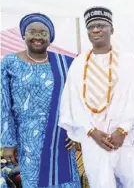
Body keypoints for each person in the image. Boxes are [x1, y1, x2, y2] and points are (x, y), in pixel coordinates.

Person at [58, 6, 134, 188]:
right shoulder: (79, 63)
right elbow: (73, 101)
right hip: (93, 139)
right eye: (91, 27)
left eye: (101, 25)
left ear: (112, 29)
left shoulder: (129, 61)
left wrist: (122, 130)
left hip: (126, 139)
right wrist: (92, 131)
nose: (95, 30)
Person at [1, 13, 81, 187]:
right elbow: (4, 104)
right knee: (35, 182)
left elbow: (77, 99)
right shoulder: (9, 63)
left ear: (50, 37)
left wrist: (76, 131)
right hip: (27, 140)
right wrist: (8, 143)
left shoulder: (65, 63)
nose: (37, 36)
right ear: (24, 34)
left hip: (60, 137)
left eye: (43, 32)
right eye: (32, 31)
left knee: (65, 180)